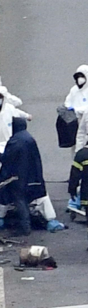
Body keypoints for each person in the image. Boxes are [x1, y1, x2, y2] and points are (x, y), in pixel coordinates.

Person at [0, 118, 65, 235]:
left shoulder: (15, 141)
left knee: (19, 201)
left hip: (17, 178)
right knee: (35, 199)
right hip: (31, 177)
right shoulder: (29, 138)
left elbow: (6, 159)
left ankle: (25, 227)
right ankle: (45, 220)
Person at [64, 65, 88, 209]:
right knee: (77, 161)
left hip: (83, 122)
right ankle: (78, 189)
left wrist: (80, 111)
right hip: (76, 126)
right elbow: (68, 104)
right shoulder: (74, 91)